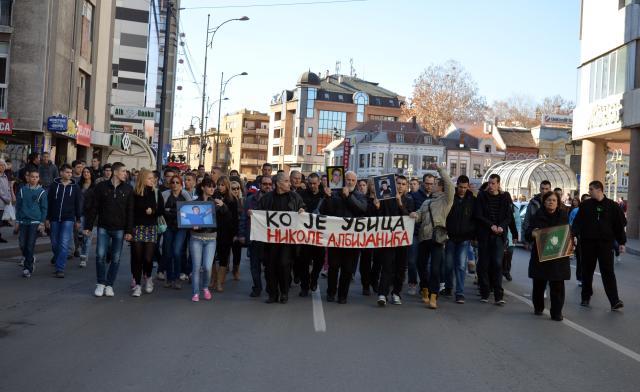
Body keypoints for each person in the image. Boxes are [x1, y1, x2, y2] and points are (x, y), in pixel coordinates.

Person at [572, 181, 626, 310]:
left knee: (608, 272)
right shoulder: (585, 205)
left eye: (591, 189)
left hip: (605, 244)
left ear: (599, 190)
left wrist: (622, 242)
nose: (589, 192)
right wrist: (574, 235)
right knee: (587, 271)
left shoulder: (613, 206)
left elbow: (619, 226)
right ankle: (585, 297)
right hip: (588, 243)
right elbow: (577, 223)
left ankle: (614, 301)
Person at [84, 162, 134, 297]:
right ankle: (100, 283)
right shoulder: (101, 187)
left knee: (116, 258)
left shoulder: (128, 189)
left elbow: (130, 211)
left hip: (119, 228)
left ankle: (109, 285)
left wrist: (129, 231)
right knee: (100, 255)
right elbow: (94, 207)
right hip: (103, 227)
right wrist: (88, 226)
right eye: (123, 171)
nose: (125, 174)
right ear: (115, 172)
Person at [257, 172, 305, 304]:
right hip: (270, 241)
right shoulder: (266, 198)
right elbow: (258, 213)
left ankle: (284, 293)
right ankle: (272, 294)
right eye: (286, 181)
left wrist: (302, 210)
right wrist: (253, 214)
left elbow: (303, 207)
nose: (290, 183)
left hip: (287, 241)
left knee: (284, 265)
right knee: (270, 267)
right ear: (278, 183)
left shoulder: (295, 197)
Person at [320, 171, 366, 304]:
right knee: (333, 267)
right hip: (336, 237)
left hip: (352, 239)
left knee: (347, 269)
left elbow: (361, 210)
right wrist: (327, 197)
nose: (350, 182)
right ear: (343, 180)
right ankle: (331, 292)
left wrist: (347, 197)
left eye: (353, 180)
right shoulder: (334, 194)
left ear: (356, 182)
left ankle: (342, 295)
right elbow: (325, 212)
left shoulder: (360, 196)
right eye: (348, 179)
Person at [525, 191, 571, 321]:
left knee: (557, 285)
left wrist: (573, 237)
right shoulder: (537, 216)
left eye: (554, 200)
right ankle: (538, 307)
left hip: (558, 256)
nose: (551, 202)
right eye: (549, 200)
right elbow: (528, 233)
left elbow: (568, 232)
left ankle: (557, 312)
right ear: (544, 202)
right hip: (541, 256)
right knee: (539, 284)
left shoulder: (563, 215)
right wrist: (533, 233)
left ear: (558, 203)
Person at [414, 164, 454, 309]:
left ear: (441, 187)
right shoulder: (426, 202)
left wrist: (440, 170)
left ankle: (433, 296)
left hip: (437, 238)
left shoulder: (446, 201)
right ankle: (424, 288)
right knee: (420, 265)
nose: (432, 186)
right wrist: (415, 215)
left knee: (435, 268)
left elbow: (450, 184)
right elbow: (419, 215)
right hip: (424, 237)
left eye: (436, 184)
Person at [374, 175, 415, 306]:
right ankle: (382, 294)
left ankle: (396, 293)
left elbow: (409, 215)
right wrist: (377, 206)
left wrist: (400, 203)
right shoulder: (386, 198)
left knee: (400, 267)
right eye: (398, 183)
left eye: (403, 184)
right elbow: (380, 217)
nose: (400, 186)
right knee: (386, 266)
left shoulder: (409, 199)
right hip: (389, 238)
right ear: (394, 184)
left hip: (402, 239)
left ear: (406, 186)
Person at [474, 174, 513, 305]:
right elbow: (478, 215)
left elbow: (509, 216)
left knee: (497, 264)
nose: (490, 186)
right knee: (483, 265)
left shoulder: (505, 197)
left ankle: (498, 295)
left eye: (493, 183)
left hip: (499, 235)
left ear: (498, 184)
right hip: (485, 234)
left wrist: (501, 227)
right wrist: (491, 225)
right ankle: (485, 292)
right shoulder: (482, 196)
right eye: (489, 183)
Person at [129, 169, 164, 297]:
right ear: (142, 179)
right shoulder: (135, 193)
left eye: (153, 178)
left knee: (148, 258)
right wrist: (129, 230)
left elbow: (161, 211)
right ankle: (137, 285)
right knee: (137, 258)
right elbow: (131, 211)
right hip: (137, 228)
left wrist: (153, 211)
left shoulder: (156, 193)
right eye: (149, 178)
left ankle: (148, 278)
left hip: (151, 228)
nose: (152, 180)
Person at [443, 175, 476, 304]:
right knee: (448, 265)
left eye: (465, 187)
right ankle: (448, 287)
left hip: (464, 238)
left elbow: (475, 218)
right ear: (457, 186)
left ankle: (460, 293)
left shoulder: (472, 200)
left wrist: (472, 234)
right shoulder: (451, 198)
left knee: (461, 266)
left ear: (468, 186)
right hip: (450, 236)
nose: (462, 189)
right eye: (460, 187)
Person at [46, 164, 82, 278]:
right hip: (54, 218)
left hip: (69, 218)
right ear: (61, 173)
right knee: (55, 242)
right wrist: (46, 218)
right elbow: (49, 202)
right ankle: (57, 258)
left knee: (64, 243)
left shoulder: (75, 187)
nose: (69, 174)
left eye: (70, 173)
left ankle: (60, 268)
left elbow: (78, 204)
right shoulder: (53, 185)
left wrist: (78, 219)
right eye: (67, 172)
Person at [241, 175, 272, 297]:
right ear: (260, 185)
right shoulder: (250, 199)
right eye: (265, 184)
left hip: (269, 239)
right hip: (254, 237)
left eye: (270, 184)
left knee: (269, 266)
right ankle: (257, 288)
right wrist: (242, 234)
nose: (267, 186)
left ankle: (270, 288)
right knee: (255, 266)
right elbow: (243, 218)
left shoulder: (275, 199)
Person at [190, 177, 218, 302]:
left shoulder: (216, 202)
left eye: (213, 186)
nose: (212, 189)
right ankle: (195, 292)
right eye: (209, 186)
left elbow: (225, 217)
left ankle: (205, 287)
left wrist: (223, 207)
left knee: (207, 267)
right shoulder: (194, 201)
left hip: (211, 238)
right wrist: (192, 224)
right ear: (203, 187)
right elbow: (187, 217)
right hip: (196, 237)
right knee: (196, 267)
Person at [161, 174, 191, 289]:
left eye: (177, 182)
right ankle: (169, 278)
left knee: (177, 252)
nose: (174, 185)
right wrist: (172, 211)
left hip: (181, 228)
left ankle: (177, 278)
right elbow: (161, 211)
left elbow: (189, 211)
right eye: (173, 182)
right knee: (168, 252)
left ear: (181, 184)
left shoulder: (185, 195)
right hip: (167, 227)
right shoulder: (165, 195)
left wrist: (171, 211)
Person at [407, 173, 435, 296]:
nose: (429, 186)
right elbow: (410, 212)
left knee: (426, 263)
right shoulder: (414, 195)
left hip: (429, 235)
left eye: (431, 184)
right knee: (412, 260)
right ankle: (412, 283)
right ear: (423, 183)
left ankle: (425, 285)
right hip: (415, 232)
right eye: (427, 183)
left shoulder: (436, 197)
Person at [16, 169, 47, 278]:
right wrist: (17, 221)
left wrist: (42, 222)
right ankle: (30, 258)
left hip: (35, 222)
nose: (34, 179)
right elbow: (18, 206)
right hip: (24, 221)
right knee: (22, 244)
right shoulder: (22, 190)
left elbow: (44, 208)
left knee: (30, 245)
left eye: (36, 177)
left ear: (39, 179)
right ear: (28, 178)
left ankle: (27, 267)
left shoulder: (42, 192)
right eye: (32, 177)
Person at [299, 173, 326, 296]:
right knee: (304, 262)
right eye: (310, 183)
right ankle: (304, 287)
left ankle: (314, 278)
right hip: (305, 234)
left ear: (319, 182)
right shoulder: (302, 195)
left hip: (320, 234)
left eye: (315, 183)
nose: (312, 185)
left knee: (319, 261)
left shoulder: (325, 194)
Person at [211, 175, 237, 292]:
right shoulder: (213, 196)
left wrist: (235, 234)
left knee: (223, 257)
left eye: (222, 185)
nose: (220, 187)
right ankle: (213, 280)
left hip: (226, 232)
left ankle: (220, 283)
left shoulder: (232, 200)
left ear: (227, 186)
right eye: (219, 185)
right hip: (213, 230)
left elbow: (234, 218)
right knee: (211, 257)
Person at [522, 180, 552, 247]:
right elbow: (527, 220)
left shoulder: (554, 202)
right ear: (539, 189)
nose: (544, 191)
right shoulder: (533, 202)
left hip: (550, 237)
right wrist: (525, 240)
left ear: (550, 189)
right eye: (542, 188)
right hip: (535, 237)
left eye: (546, 189)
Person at [78, 167, 94, 267]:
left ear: (91, 173)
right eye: (84, 172)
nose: (86, 173)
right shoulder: (78, 185)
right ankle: (81, 247)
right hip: (80, 213)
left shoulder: (95, 186)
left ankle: (83, 257)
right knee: (81, 234)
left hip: (90, 214)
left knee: (87, 237)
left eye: (88, 172)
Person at [230, 180, 244, 281]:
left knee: (237, 251)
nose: (235, 190)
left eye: (237, 188)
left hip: (238, 229)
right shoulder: (227, 200)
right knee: (225, 251)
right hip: (227, 229)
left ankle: (236, 270)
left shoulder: (242, 200)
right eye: (233, 188)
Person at [0, 159, 12, 242]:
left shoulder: (5, 176)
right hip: (1, 201)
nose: (2, 167)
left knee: (0, 221)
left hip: (4, 203)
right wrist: (6, 199)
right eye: (0, 165)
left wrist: (9, 198)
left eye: (3, 165)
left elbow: (7, 189)